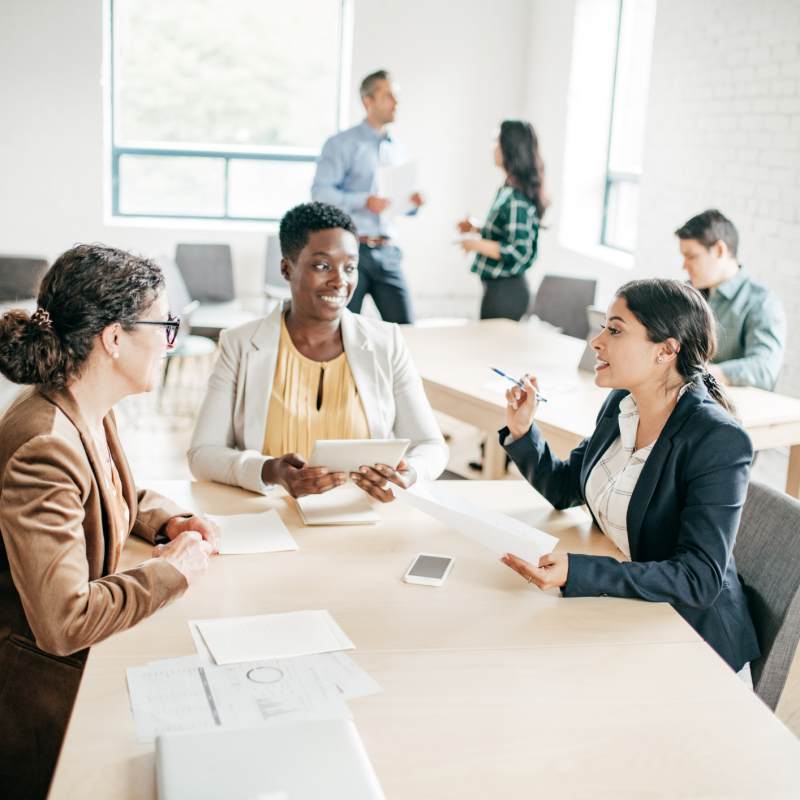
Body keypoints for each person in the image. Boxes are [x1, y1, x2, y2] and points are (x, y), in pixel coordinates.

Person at [0, 245, 220, 800]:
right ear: (114, 338)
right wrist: (172, 573)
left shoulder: (85, 403)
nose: (171, 342)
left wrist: (167, 521)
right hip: (35, 697)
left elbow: (110, 492)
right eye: (164, 324)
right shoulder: (44, 444)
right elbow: (63, 622)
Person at [497, 278, 760, 677]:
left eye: (615, 330)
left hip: (693, 641)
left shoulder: (717, 438)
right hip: (631, 611)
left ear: (667, 350)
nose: (596, 341)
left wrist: (579, 571)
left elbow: (699, 579)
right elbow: (569, 486)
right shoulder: (623, 401)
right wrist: (523, 432)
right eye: (603, 326)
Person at [188, 201, 448, 501]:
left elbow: (431, 446)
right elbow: (202, 454)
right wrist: (270, 471)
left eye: (350, 267)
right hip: (271, 516)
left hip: (362, 516)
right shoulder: (240, 344)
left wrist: (410, 472)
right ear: (287, 268)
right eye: (322, 266)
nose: (340, 281)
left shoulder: (385, 341)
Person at [311, 69, 424, 324]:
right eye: (389, 96)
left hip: (388, 251)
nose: (396, 103)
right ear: (367, 101)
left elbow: (393, 203)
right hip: (351, 252)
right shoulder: (340, 144)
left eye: (397, 97)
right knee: (342, 329)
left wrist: (412, 203)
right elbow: (320, 193)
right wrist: (363, 200)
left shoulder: (397, 148)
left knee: (405, 328)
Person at [676, 208, 786, 390]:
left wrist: (697, 373)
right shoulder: (687, 293)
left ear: (720, 250)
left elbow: (763, 370)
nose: (685, 266)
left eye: (692, 256)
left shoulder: (762, 302)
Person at [458, 120, 548, 321]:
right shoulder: (507, 190)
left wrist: (476, 244)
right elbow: (507, 234)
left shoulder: (516, 197)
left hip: (506, 292)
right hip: (497, 288)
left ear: (509, 148)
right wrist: (477, 229)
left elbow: (517, 249)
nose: (493, 147)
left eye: (495, 141)